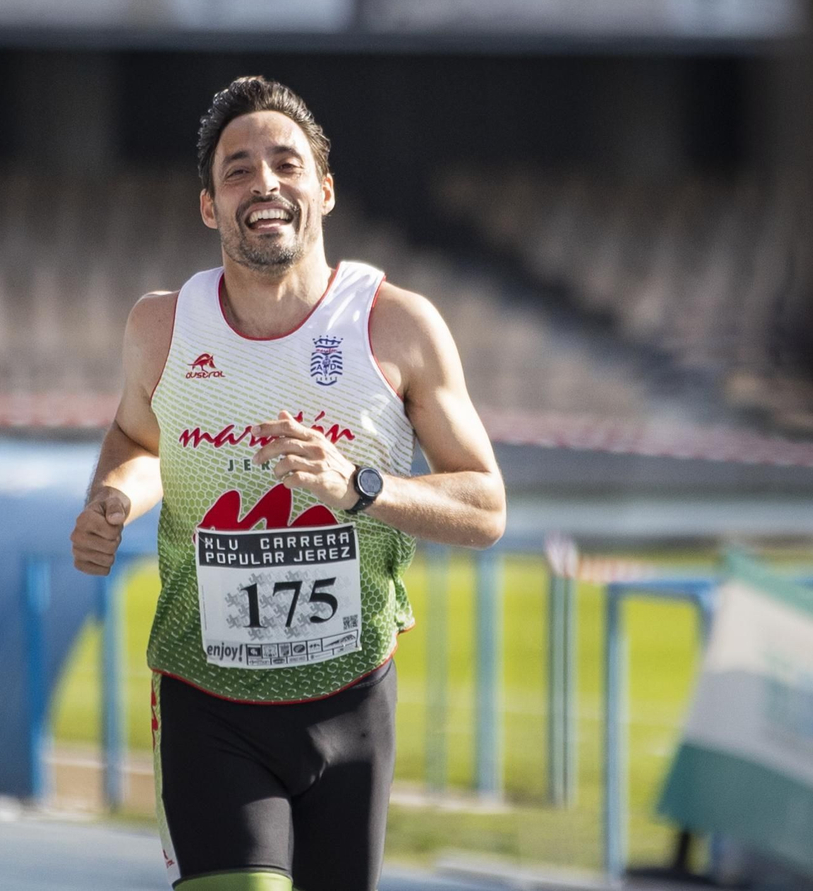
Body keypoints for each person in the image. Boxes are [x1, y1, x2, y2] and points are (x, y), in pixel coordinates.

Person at [70, 76, 506, 891]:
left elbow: (485, 505)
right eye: (238, 169)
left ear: (324, 190)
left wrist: (361, 487)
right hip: (208, 696)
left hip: (352, 699)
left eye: (286, 163)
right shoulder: (162, 327)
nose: (264, 181)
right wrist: (117, 496)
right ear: (209, 206)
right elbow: (138, 436)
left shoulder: (395, 325)